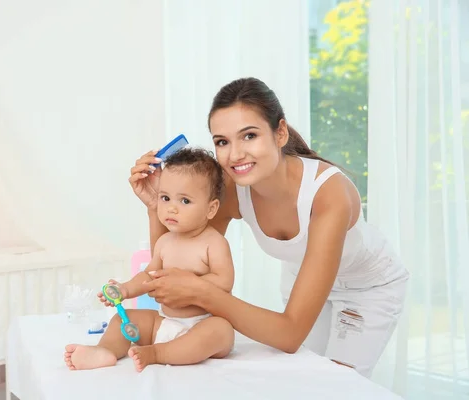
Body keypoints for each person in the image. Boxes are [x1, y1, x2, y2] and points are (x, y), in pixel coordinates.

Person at [129, 77, 410, 378]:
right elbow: (177, 257)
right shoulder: (232, 187)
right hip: (302, 277)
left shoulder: (329, 195)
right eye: (222, 141)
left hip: (366, 287)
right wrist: (153, 208)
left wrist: (204, 293)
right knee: (301, 376)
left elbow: (289, 335)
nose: (235, 154)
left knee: (338, 382)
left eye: (249, 136)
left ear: (280, 133)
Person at [65, 148, 235, 372]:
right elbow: (149, 275)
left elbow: (225, 282)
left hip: (200, 323)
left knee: (221, 330)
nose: (171, 207)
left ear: (211, 209)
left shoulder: (213, 243)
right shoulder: (165, 242)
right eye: (165, 198)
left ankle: (156, 353)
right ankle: (104, 350)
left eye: (185, 200)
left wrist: (190, 282)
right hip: (163, 322)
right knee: (121, 321)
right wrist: (125, 290)